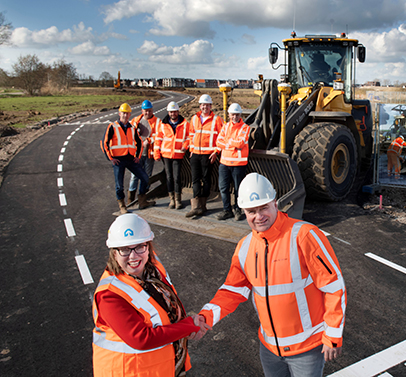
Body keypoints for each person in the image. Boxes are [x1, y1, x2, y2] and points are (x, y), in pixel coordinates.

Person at [196, 173, 346, 377]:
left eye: (263, 208)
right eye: (251, 211)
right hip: (269, 350)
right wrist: (206, 317)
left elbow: (333, 286)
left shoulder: (304, 235)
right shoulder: (245, 247)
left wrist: (333, 334)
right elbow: (232, 291)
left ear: (275, 204)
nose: (259, 216)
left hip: (307, 350)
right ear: (244, 212)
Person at [92, 213, 204, 376]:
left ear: (148, 246)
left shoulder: (153, 267)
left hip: (161, 367)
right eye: (124, 249)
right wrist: (189, 326)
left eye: (139, 246)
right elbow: (141, 338)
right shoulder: (109, 295)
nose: (133, 256)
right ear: (114, 253)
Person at [100, 103, 155, 214]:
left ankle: (142, 200)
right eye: (123, 113)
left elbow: (139, 142)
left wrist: (137, 157)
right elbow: (104, 143)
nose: (125, 115)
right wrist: (111, 158)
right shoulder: (113, 126)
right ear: (120, 114)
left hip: (130, 159)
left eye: (127, 113)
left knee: (144, 178)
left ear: (130, 114)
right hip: (118, 160)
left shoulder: (132, 128)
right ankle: (122, 205)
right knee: (119, 185)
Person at [186, 94, 223, 219]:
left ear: (210, 106)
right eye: (202, 105)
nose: (204, 107)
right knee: (195, 179)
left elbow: (221, 137)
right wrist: (191, 149)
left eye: (207, 105)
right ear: (200, 106)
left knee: (206, 179)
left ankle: (203, 205)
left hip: (208, 155)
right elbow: (191, 135)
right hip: (195, 154)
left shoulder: (216, 120)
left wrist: (216, 151)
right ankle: (195, 206)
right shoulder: (194, 118)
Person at [213, 103, 250, 221]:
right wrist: (232, 144)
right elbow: (218, 142)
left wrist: (227, 143)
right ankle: (227, 210)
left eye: (237, 114)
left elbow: (240, 143)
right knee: (223, 188)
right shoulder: (225, 127)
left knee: (238, 189)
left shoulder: (245, 128)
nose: (235, 117)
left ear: (240, 115)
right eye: (233, 114)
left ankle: (238, 210)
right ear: (229, 115)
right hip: (224, 163)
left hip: (239, 164)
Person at [154, 101, 191, 210]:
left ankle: (178, 200)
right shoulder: (163, 124)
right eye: (171, 112)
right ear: (168, 112)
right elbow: (158, 139)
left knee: (177, 177)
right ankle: (172, 199)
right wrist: (157, 154)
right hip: (166, 155)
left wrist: (185, 145)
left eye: (174, 112)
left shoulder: (185, 124)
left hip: (178, 155)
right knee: (169, 177)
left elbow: (190, 137)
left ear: (178, 112)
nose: (173, 114)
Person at [127, 100, 160, 205]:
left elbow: (159, 135)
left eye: (149, 111)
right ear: (142, 110)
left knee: (146, 177)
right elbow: (128, 133)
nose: (147, 113)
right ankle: (130, 200)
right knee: (134, 176)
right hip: (137, 154)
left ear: (152, 110)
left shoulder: (157, 122)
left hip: (149, 154)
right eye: (145, 111)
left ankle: (142, 199)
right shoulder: (136, 121)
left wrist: (149, 140)